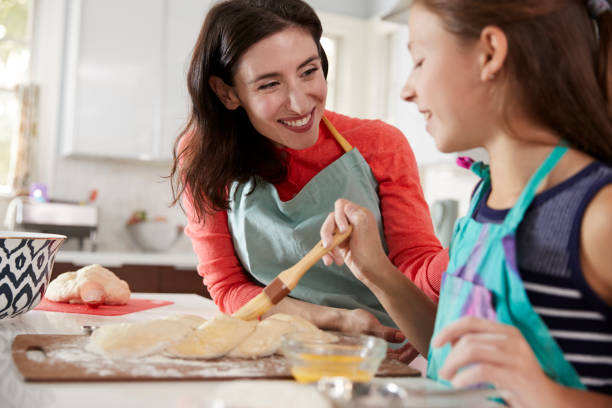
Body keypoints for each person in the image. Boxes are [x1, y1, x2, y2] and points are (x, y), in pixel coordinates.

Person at [320, 0, 612, 406]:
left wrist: (541, 392)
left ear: (490, 53)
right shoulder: (482, 202)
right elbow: (451, 349)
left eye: (419, 60)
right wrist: (377, 272)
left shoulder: (598, 213)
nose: (407, 89)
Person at [169, 0, 448, 360]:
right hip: (277, 353)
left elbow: (416, 268)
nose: (300, 103)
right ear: (228, 93)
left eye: (309, 71)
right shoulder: (203, 157)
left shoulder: (380, 145)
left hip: (381, 355)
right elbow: (229, 289)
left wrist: (458, 260)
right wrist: (339, 320)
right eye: (270, 84)